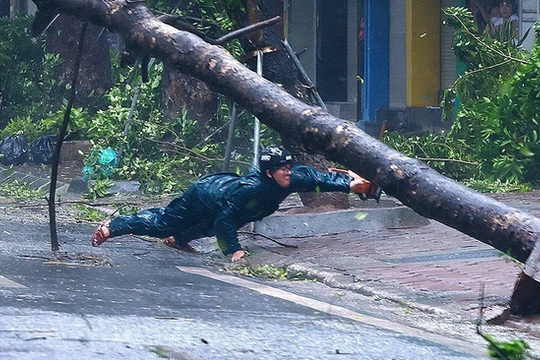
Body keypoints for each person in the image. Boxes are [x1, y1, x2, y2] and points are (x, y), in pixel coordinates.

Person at [92, 147, 374, 262]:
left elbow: (316, 178)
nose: (289, 172)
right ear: (268, 173)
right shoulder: (251, 190)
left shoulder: (291, 178)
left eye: (289, 168)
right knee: (163, 223)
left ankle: (177, 240)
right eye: (282, 169)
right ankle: (112, 226)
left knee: (207, 227)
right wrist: (234, 251)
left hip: (226, 203)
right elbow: (224, 222)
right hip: (206, 194)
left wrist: (350, 185)